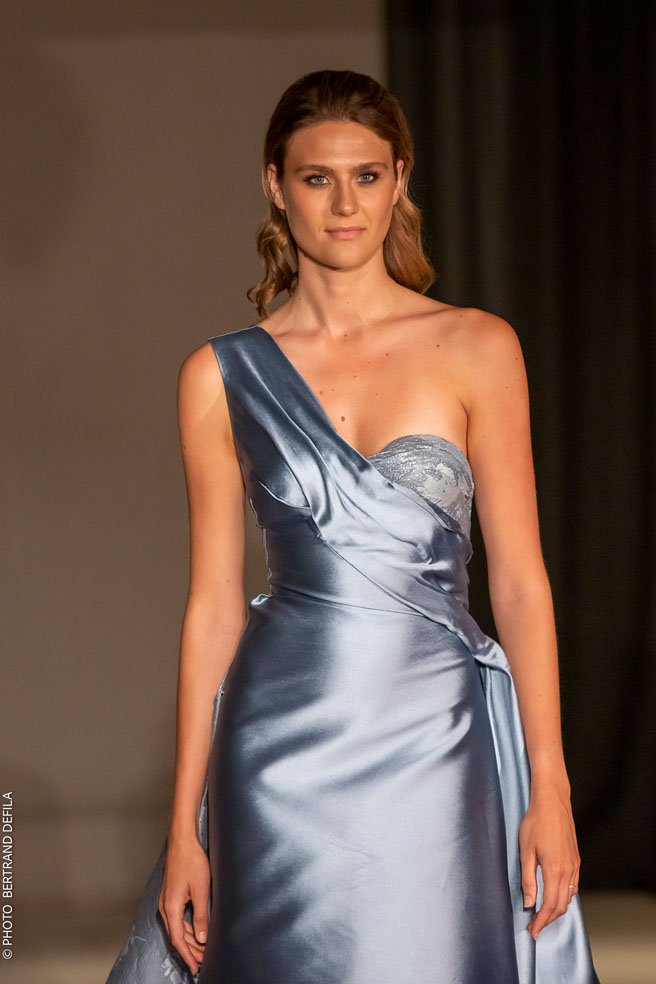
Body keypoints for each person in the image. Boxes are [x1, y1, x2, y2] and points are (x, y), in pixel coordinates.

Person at [106, 69, 600, 984]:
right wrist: (184, 827)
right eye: (317, 178)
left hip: (439, 741)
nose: (345, 204)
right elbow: (212, 607)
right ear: (275, 185)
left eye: (367, 176)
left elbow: (521, 583)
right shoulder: (218, 377)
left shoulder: (479, 347)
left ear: (400, 178)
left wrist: (551, 784)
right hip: (276, 754)